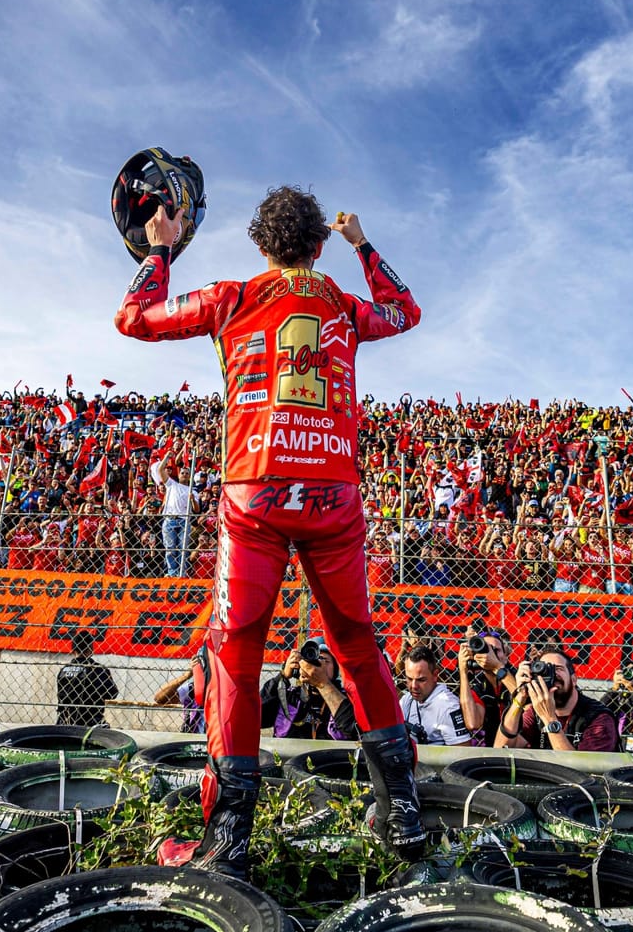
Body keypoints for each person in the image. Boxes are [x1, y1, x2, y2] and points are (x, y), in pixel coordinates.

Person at [115, 184, 425, 880]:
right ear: (316, 246)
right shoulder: (344, 306)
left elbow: (133, 317)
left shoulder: (231, 296)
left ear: (260, 245)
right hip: (333, 494)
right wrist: (363, 245)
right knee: (355, 643)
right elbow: (407, 310)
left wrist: (161, 251)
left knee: (235, 655)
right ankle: (402, 811)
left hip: (254, 493)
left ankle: (229, 837)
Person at [494, 649, 621, 752]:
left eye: (558, 668)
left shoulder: (598, 717)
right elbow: (501, 749)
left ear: (574, 679)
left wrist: (549, 719)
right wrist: (520, 697)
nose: (552, 675)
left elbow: (581, 771)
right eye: (545, 670)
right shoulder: (535, 713)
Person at [266, 638, 357, 740]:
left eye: (324, 660)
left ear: (335, 669)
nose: (316, 666)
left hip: (333, 755)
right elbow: (257, 719)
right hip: (291, 755)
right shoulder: (289, 696)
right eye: (312, 660)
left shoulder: (345, 699)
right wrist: (282, 677)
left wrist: (323, 684)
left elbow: (354, 731)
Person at [398, 641, 473, 746]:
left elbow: (463, 752)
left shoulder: (447, 706)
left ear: (435, 675)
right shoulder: (407, 699)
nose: (414, 686)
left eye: (421, 680)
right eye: (409, 679)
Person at [456, 625, 517, 746]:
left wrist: (496, 667)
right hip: (492, 749)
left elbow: (525, 701)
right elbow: (473, 723)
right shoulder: (479, 686)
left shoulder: (517, 676)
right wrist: (463, 670)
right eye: (486, 650)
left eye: (496, 650)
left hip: (522, 746)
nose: (491, 655)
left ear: (506, 657)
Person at [55, 630, 119, 728]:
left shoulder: (63, 670)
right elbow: (113, 693)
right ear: (91, 649)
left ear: (73, 650)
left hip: (64, 722)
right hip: (91, 722)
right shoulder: (98, 669)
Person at [152, 442, 196, 577]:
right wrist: (167, 457)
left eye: (187, 473)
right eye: (182, 472)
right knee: (170, 548)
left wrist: (192, 499)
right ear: (179, 473)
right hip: (170, 519)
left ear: (190, 476)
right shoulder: (172, 484)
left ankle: (181, 572)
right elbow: (160, 470)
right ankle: (172, 573)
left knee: (182, 549)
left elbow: (196, 509)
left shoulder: (193, 491)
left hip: (184, 520)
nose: (184, 474)